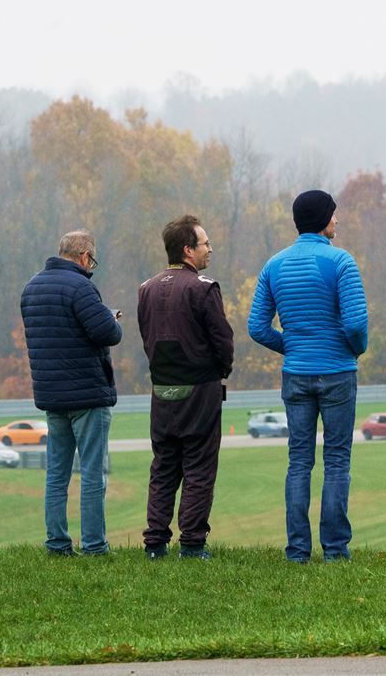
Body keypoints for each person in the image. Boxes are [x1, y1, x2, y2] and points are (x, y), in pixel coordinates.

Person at [248, 190, 369, 563]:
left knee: (298, 461)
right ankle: (335, 550)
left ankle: (297, 550)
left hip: (296, 376)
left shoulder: (274, 265)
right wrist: (355, 349)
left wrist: (294, 347)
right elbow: (356, 323)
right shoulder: (341, 262)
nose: (338, 219)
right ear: (323, 220)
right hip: (337, 373)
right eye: (334, 214)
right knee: (336, 461)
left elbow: (257, 327)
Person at [21, 229, 122, 556]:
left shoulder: (31, 288)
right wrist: (111, 318)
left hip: (52, 395)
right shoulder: (81, 287)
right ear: (83, 255)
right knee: (93, 474)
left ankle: (57, 543)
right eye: (91, 259)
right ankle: (94, 546)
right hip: (87, 395)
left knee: (57, 474)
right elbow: (107, 333)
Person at [138, 215, 234, 560]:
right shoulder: (203, 288)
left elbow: (147, 339)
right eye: (205, 243)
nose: (210, 248)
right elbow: (223, 341)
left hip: (161, 391)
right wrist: (219, 372)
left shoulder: (146, 289)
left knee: (163, 466)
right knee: (199, 466)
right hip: (200, 391)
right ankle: (192, 543)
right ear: (188, 250)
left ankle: (155, 544)